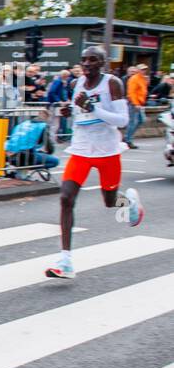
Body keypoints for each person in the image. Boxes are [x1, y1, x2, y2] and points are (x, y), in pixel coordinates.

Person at [46, 46, 145, 279]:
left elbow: (122, 120)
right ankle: (66, 260)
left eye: (93, 60)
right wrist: (67, 111)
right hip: (81, 148)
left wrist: (93, 108)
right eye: (84, 60)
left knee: (109, 202)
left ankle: (128, 203)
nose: (87, 64)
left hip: (107, 150)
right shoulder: (75, 84)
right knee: (65, 197)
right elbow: (77, 112)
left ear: (102, 63)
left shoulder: (113, 84)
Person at [4, 107, 59, 178]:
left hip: (10, 157)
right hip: (27, 157)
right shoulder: (42, 126)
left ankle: (20, 172)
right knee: (55, 161)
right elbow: (50, 148)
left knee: (32, 153)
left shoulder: (23, 124)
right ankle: (24, 171)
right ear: (47, 117)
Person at [123, 64, 149, 148]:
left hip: (139, 103)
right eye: (142, 69)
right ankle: (128, 140)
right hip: (134, 103)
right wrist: (136, 103)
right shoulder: (134, 79)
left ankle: (127, 137)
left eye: (145, 69)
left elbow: (143, 91)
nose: (144, 71)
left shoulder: (143, 79)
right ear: (138, 70)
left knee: (141, 120)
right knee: (132, 122)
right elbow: (131, 92)